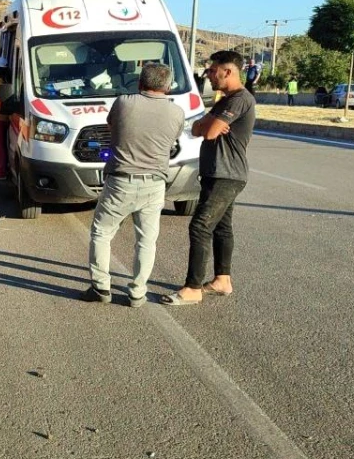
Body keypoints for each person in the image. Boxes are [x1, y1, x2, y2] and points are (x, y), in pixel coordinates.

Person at [81, 63, 184, 307]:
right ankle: (138, 292)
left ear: (139, 83)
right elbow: (174, 138)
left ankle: (101, 287)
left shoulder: (124, 103)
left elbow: (111, 126)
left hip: (121, 182)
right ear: (168, 87)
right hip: (155, 184)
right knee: (146, 240)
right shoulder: (176, 112)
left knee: (102, 233)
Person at [163, 50, 256, 306]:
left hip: (227, 173)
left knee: (200, 226)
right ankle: (222, 281)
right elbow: (195, 128)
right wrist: (208, 124)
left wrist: (210, 125)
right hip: (218, 172)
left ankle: (192, 288)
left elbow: (211, 132)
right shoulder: (224, 101)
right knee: (222, 227)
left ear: (228, 72)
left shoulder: (239, 99)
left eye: (213, 71)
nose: (209, 76)